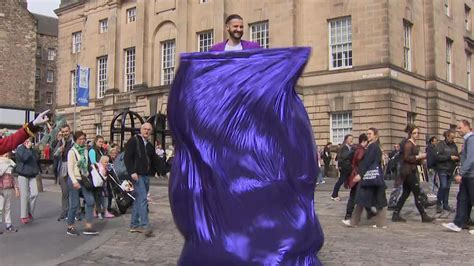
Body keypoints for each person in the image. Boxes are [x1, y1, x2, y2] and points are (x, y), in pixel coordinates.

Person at [343, 128, 387, 228]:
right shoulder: (375, 146)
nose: (368, 135)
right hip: (375, 176)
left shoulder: (373, 147)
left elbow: (368, 162)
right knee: (377, 198)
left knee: (361, 197)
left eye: (370, 134)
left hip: (370, 176)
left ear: (376, 135)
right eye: (367, 134)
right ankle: (381, 223)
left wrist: (360, 174)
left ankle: (354, 222)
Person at [124, 123, 162, 237]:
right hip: (137, 175)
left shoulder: (149, 145)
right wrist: (132, 172)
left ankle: (134, 225)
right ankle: (145, 226)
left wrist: (166, 169)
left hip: (146, 176)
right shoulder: (134, 140)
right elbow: (127, 158)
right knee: (143, 199)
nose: (147, 131)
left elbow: (155, 161)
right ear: (141, 130)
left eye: (149, 130)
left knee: (138, 200)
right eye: (145, 129)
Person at [392, 124, 435, 223]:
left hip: (410, 170)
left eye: (417, 133)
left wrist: (421, 159)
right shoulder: (408, 144)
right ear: (410, 134)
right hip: (408, 172)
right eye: (414, 133)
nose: (416, 135)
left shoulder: (413, 144)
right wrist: (418, 157)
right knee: (417, 193)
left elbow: (413, 158)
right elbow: (407, 158)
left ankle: (396, 213)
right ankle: (424, 215)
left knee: (405, 194)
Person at [442, 120, 474, 233]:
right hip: (467, 175)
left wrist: (461, 173)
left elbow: (471, 159)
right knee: (462, 199)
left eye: (460, 128)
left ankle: (460, 222)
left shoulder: (471, 140)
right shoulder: (467, 140)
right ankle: (458, 223)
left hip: (471, 175)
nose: (458, 131)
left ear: (467, 127)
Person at [66, 131, 98, 236]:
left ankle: (88, 226)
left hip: (84, 179)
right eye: (80, 139)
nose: (82, 141)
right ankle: (70, 226)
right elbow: (70, 169)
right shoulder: (72, 152)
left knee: (90, 200)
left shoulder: (85, 151)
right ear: (75, 140)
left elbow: (87, 165)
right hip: (74, 179)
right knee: (74, 204)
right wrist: (74, 181)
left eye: (83, 138)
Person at [342, 133, 375, 224]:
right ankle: (349, 215)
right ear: (364, 141)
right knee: (354, 196)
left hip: (355, 175)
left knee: (361, 194)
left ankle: (369, 212)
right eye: (367, 142)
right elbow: (361, 161)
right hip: (358, 175)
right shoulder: (361, 150)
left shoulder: (356, 149)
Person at [52, 125, 74, 221]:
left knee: (73, 191)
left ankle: (74, 212)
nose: (65, 133)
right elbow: (55, 155)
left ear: (70, 131)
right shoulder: (61, 142)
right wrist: (58, 151)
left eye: (66, 131)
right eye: (63, 132)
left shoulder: (74, 141)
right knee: (65, 192)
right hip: (63, 167)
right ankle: (64, 211)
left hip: (72, 167)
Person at [15, 138, 40, 224]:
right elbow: (24, 158)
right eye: (26, 140)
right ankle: (24, 215)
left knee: (35, 194)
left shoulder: (31, 149)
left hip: (32, 174)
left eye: (29, 140)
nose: (28, 141)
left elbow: (37, 158)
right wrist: (28, 149)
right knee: (25, 196)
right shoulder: (20, 149)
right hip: (22, 174)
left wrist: (33, 149)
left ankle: (29, 212)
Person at [434, 129, 459, 213]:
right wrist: (449, 157)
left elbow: (456, 155)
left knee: (447, 188)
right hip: (442, 169)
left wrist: (457, 158)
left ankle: (445, 204)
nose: (452, 139)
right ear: (447, 136)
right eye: (451, 138)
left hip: (450, 169)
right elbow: (437, 157)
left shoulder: (454, 145)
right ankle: (438, 203)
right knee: (443, 186)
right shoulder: (441, 145)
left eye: (453, 138)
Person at [88, 135, 111, 219]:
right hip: (96, 174)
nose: (101, 143)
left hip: (102, 174)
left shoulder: (102, 150)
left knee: (101, 193)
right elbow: (93, 162)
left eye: (102, 142)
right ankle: (96, 211)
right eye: (100, 142)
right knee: (97, 193)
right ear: (96, 142)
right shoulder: (92, 150)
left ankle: (100, 210)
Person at [0, 152, 20, 233]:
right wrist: (6, 166)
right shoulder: (3, 164)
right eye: (5, 155)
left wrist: (16, 188)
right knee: (0, 208)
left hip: (8, 188)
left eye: (8, 156)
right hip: (1, 189)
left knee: (8, 207)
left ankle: (8, 224)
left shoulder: (10, 165)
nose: (7, 157)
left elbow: (12, 178)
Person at [331, 134, 354, 201]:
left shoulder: (348, 147)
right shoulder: (344, 147)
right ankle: (334, 195)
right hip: (345, 168)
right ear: (346, 140)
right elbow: (343, 157)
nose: (351, 140)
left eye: (352, 138)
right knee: (341, 181)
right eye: (350, 139)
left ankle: (354, 196)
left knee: (351, 181)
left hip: (347, 167)